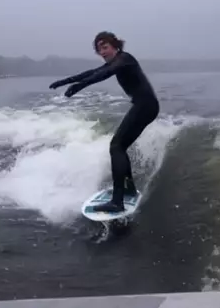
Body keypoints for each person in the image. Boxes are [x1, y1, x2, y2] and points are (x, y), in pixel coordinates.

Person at [49, 31, 159, 214]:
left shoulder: (125, 59)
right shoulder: (117, 61)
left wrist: (79, 86)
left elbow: (105, 73)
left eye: (105, 47)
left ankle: (117, 202)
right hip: (144, 106)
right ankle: (128, 189)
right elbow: (94, 72)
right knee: (119, 147)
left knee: (116, 146)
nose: (102, 52)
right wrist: (65, 81)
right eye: (99, 49)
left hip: (146, 106)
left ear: (116, 46)